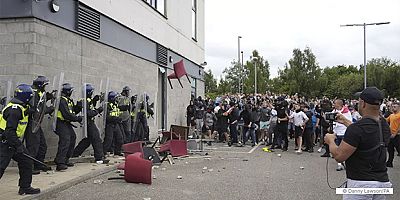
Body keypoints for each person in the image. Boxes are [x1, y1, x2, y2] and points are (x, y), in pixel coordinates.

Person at [325, 87, 392, 200]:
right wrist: (345, 121)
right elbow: (365, 134)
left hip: (360, 183)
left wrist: (330, 141)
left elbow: (339, 156)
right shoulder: (384, 125)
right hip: (381, 182)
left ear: (363, 103)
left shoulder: (357, 129)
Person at [0, 84, 41, 195]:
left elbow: (23, 114)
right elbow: (9, 131)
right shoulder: (14, 110)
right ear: (26, 97)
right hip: (5, 142)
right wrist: (18, 146)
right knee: (1, 167)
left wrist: (30, 111)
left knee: (26, 161)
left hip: (12, 141)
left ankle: (25, 187)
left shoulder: (21, 107)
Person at [73, 84, 108, 164]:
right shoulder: (84, 101)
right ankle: (99, 158)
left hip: (88, 122)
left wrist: (94, 101)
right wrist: (98, 110)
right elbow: (88, 113)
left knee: (87, 140)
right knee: (96, 139)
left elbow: (90, 108)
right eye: (91, 92)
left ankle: (75, 154)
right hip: (88, 122)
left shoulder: (87, 100)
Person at [25, 76, 53, 174]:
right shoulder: (34, 93)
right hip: (31, 123)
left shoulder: (39, 93)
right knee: (33, 146)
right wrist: (49, 109)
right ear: (41, 85)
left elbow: (40, 104)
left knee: (42, 145)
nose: (45, 87)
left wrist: (47, 98)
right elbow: (38, 110)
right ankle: (29, 167)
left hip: (36, 123)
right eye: (45, 85)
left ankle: (38, 163)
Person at [54, 83, 82, 171]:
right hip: (61, 122)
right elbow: (66, 114)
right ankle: (60, 162)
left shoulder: (68, 100)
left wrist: (78, 107)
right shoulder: (62, 100)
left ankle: (65, 159)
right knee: (65, 140)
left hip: (66, 123)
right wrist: (77, 119)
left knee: (72, 137)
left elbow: (72, 111)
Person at [332, 99, 352, 171]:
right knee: (337, 149)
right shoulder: (334, 111)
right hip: (336, 133)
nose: (334, 104)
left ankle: (346, 163)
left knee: (345, 150)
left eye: (335, 103)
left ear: (339, 104)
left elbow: (349, 122)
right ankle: (339, 164)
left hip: (344, 133)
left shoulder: (346, 112)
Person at [103, 91, 123, 156]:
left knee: (120, 138)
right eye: (115, 97)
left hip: (116, 124)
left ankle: (117, 151)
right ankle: (103, 152)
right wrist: (116, 119)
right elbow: (107, 117)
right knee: (108, 140)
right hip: (110, 124)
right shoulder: (107, 105)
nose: (117, 99)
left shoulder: (115, 104)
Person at [386, 101, 400, 167]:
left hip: (397, 135)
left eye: (395, 107)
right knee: (390, 149)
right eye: (393, 106)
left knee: (398, 149)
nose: (393, 108)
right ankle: (389, 162)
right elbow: (386, 120)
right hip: (391, 135)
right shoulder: (391, 115)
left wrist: (395, 133)